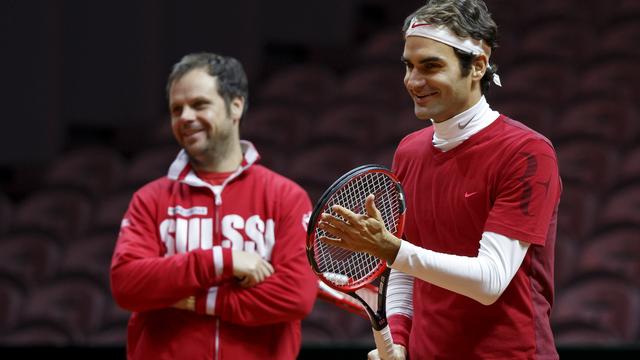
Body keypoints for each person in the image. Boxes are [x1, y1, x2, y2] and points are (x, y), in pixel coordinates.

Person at [318, 1, 562, 359]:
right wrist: (399, 338)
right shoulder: (409, 152)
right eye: (408, 66)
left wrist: (391, 249)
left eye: (431, 66)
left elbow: (489, 281)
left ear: (477, 65)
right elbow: (404, 270)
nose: (414, 81)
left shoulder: (527, 152)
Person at [110, 52, 317, 360]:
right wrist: (220, 260)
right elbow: (127, 284)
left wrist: (195, 300)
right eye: (176, 109)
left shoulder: (285, 197)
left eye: (199, 104)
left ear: (236, 105)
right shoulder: (150, 199)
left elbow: (295, 296)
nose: (185, 117)